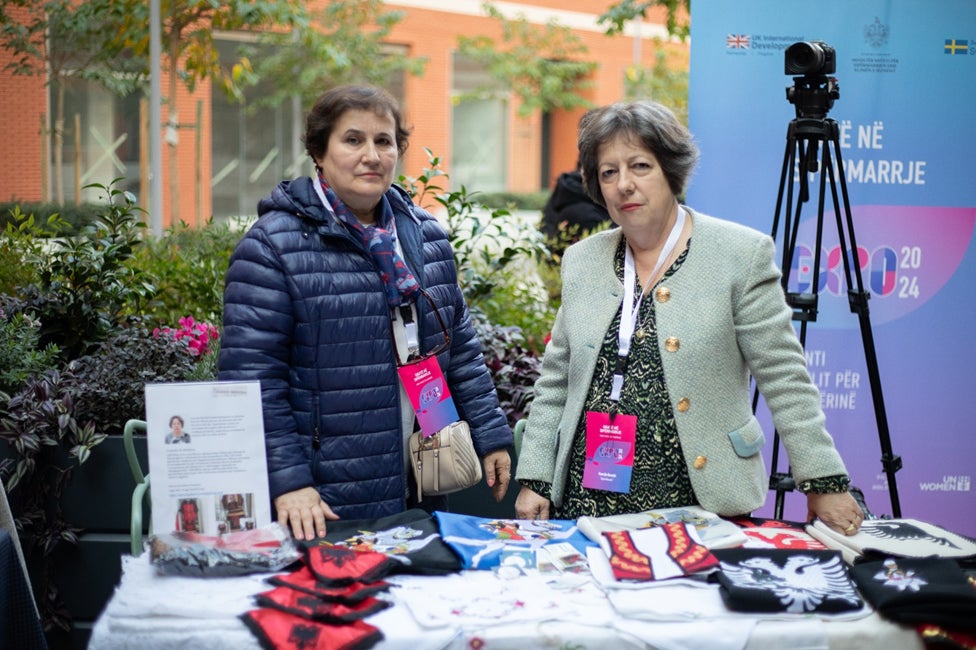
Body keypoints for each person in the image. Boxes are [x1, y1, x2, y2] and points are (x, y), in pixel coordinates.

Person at [514, 100, 865, 537]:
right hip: (588, 504)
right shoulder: (583, 260)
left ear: (670, 171)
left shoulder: (739, 254)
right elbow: (555, 381)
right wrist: (535, 478)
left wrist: (822, 480)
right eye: (609, 172)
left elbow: (784, 377)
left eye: (640, 166)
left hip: (699, 502)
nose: (624, 184)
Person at [218, 84, 513, 541]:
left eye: (384, 141)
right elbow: (250, 381)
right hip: (325, 497)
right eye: (353, 140)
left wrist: (491, 435)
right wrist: (289, 481)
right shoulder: (272, 246)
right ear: (319, 151)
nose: (371, 155)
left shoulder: (426, 237)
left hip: (420, 481)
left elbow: (461, 347)